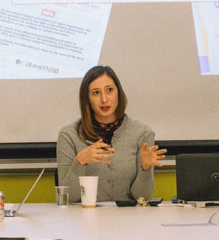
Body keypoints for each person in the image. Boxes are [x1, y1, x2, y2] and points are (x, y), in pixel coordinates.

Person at [57, 65, 167, 203]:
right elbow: (68, 198)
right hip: (84, 220)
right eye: (96, 93)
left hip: (129, 220)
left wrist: (145, 168)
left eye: (109, 90)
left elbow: (142, 197)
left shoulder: (142, 133)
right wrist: (80, 161)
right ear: (87, 99)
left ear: (118, 93)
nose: (104, 99)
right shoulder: (68, 135)